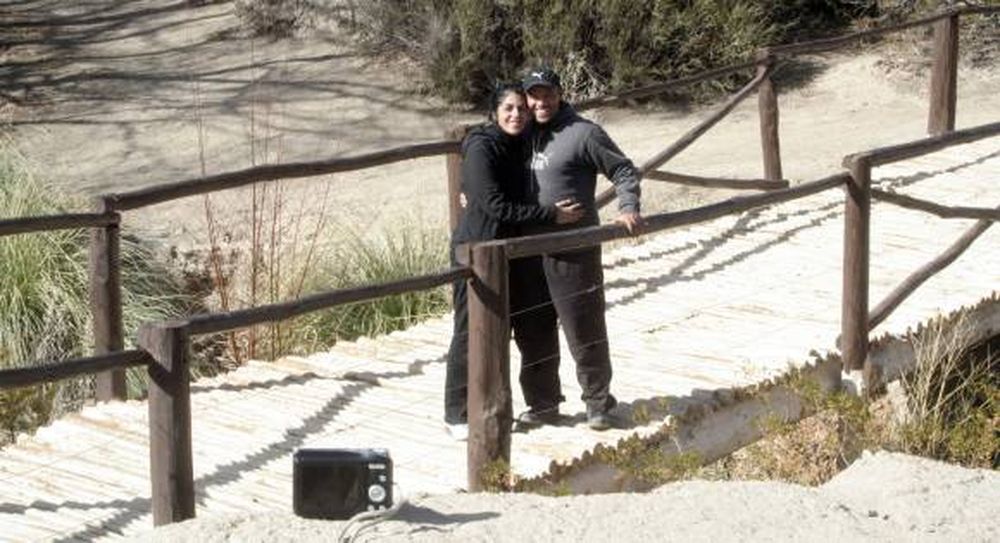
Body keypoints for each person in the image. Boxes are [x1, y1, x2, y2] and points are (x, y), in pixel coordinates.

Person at [444, 83, 585, 440]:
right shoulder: (481, 145)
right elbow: (494, 204)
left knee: (536, 322)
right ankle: (457, 413)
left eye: (521, 108)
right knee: (472, 330)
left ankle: (544, 402)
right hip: (480, 249)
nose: (516, 114)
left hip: (519, 246)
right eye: (508, 108)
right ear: (494, 111)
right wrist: (551, 215)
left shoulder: (526, 141)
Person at [520, 67, 642, 431]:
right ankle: (543, 405)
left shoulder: (584, 133)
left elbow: (622, 170)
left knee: (583, 325)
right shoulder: (520, 134)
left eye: (547, 94)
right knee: (533, 330)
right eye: (533, 95)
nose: (540, 102)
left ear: (559, 94)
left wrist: (628, 207)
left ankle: (598, 402)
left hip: (574, 248)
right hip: (527, 250)